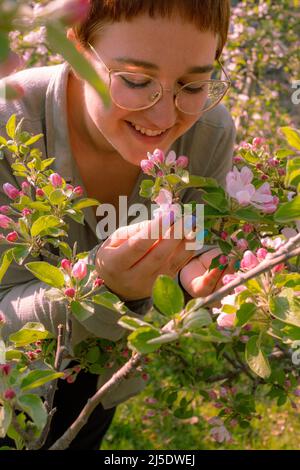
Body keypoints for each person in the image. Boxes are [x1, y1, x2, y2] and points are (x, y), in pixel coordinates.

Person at [0, 0, 235, 450]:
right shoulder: (8, 122)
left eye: (194, 84)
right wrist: (101, 284)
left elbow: (194, 246)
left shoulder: (209, 132)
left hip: (101, 383)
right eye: (135, 81)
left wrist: (189, 273)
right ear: (77, 51)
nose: (165, 118)